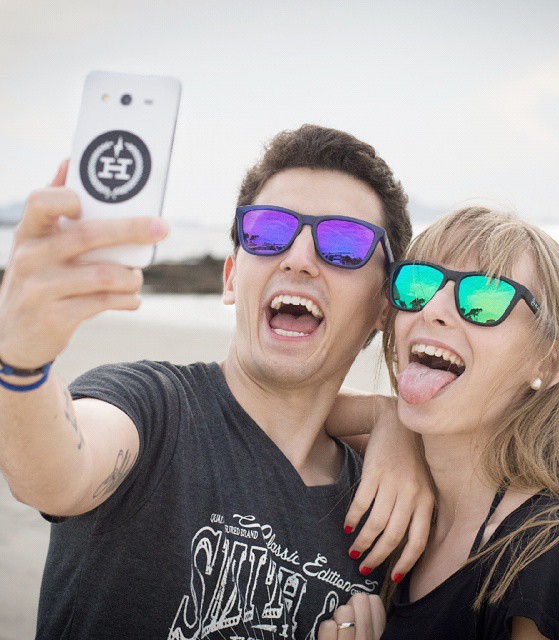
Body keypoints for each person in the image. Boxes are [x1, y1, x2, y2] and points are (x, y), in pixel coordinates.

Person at [0, 125, 434, 639]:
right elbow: (56, 475)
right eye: (268, 231)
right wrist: (21, 363)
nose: (298, 259)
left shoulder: (387, 508)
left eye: (344, 244)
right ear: (231, 277)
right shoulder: (154, 409)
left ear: (384, 306)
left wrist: (402, 424)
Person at [320, 205, 559, 639]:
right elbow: (273, 407)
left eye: (484, 298)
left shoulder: (556, 559)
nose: (433, 308)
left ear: (547, 362)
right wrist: (385, 416)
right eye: (418, 284)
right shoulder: (401, 497)